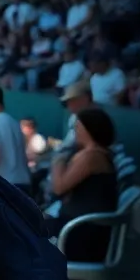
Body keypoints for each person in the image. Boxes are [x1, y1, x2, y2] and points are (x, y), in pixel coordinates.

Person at [46, 108, 119, 269]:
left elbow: (58, 187)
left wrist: (58, 158)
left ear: (89, 129)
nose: (75, 132)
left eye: (78, 127)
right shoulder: (93, 154)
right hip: (80, 227)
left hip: (82, 235)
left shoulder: (92, 156)